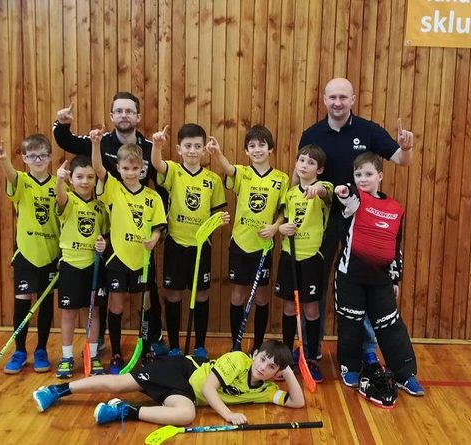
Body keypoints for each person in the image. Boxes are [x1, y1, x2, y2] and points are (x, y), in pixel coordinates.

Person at [297, 77, 414, 371]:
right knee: (316, 284)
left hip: (363, 221)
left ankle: (367, 351)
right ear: (324, 99)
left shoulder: (368, 130)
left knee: (364, 283)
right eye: (332, 97)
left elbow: (402, 160)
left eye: (343, 97)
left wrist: (406, 147)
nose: (337, 103)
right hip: (322, 220)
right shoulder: (313, 133)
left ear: (352, 99)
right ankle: (312, 351)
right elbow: (301, 172)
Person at [53, 92, 168, 358]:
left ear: (138, 117)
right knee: (107, 291)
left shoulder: (149, 147)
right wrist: (62, 124)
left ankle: (153, 339)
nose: (124, 115)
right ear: (112, 116)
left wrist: (158, 232)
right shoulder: (102, 141)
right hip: (107, 227)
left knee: (148, 292)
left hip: (141, 232)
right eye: (119, 111)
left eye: (130, 111)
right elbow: (68, 142)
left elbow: (161, 179)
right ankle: (104, 342)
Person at [32, 340, 304, 426]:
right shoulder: (237, 360)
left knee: (186, 414)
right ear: (254, 354)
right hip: (183, 371)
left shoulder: (266, 389)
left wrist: (288, 369)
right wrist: (229, 415)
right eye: (262, 359)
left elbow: (296, 402)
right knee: (119, 384)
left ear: (276, 373)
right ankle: (57, 390)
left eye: (272, 367)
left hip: (186, 394)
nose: (263, 367)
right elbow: (208, 388)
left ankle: (123, 411)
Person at [334, 152, 424, 407]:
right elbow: (347, 198)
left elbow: (396, 246)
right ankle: (350, 367)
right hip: (350, 277)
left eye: (368, 174)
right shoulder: (355, 199)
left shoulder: (396, 209)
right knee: (350, 324)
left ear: (380, 176)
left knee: (390, 326)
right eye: (358, 174)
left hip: (381, 280)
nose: (363, 179)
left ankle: (405, 374)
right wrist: (343, 191)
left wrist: (395, 279)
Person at [91, 128, 167, 374]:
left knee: (145, 304)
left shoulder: (153, 197)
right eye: (125, 168)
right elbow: (99, 169)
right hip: (118, 258)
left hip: (142, 259)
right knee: (116, 305)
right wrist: (95, 144)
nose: (131, 172)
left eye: (135, 168)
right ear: (119, 168)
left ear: (142, 169)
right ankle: (116, 354)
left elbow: (159, 227)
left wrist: (154, 239)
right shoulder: (114, 188)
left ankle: (145, 350)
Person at [151, 124, 229, 358]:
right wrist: (157, 145)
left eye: (197, 146)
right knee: (173, 295)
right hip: (176, 244)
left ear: (204, 149)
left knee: (201, 295)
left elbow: (217, 212)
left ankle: (200, 346)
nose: (192, 150)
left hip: (201, 247)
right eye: (187, 146)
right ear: (179, 149)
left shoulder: (213, 180)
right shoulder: (173, 171)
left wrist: (220, 220)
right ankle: (175, 346)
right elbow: (157, 164)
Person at [207, 125, 288, 352]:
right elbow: (228, 168)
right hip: (240, 244)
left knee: (261, 296)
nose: (257, 149)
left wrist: (275, 227)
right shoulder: (243, 173)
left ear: (270, 148)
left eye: (262, 145)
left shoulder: (281, 179)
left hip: (263, 247)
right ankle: (236, 345)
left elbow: (284, 211)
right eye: (252, 146)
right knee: (237, 295)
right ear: (246, 151)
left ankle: (259, 345)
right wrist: (217, 153)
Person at [0, 135, 60, 374]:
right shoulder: (20, 180)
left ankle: (41, 350)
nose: (38, 160)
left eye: (42, 155)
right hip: (26, 253)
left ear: (50, 157)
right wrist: (4, 160)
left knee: (45, 302)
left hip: (51, 253)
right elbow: (11, 175)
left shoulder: (58, 184)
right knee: (22, 300)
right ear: (24, 159)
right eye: (32, 156)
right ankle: (19, 351)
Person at [275, 144, 332, 383]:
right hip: (289, 255)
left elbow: (325, 191)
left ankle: (311, 358)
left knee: (311, 309)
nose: (304, 165)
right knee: (289, 308)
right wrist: (281, 228)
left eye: (311, 162)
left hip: (312, 258)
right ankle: (286, 358)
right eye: (301, 160)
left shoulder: (323, 188)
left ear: (319, 169)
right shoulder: (289, 194)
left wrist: (317, 188)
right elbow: (284, 219)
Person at [53, 155, 109, 378]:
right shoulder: (68, 200)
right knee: (68, 313)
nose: (85, 181)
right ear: (71, 179)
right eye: (79, 177)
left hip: (93, 267)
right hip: (71, 266)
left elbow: (105, 235)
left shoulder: (100, 207)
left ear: (96, 180)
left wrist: (103, 244)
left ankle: (92, 355)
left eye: (90, 177)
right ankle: (67, 357)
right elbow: (60, 198)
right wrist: (59, 181)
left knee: (92, 313)